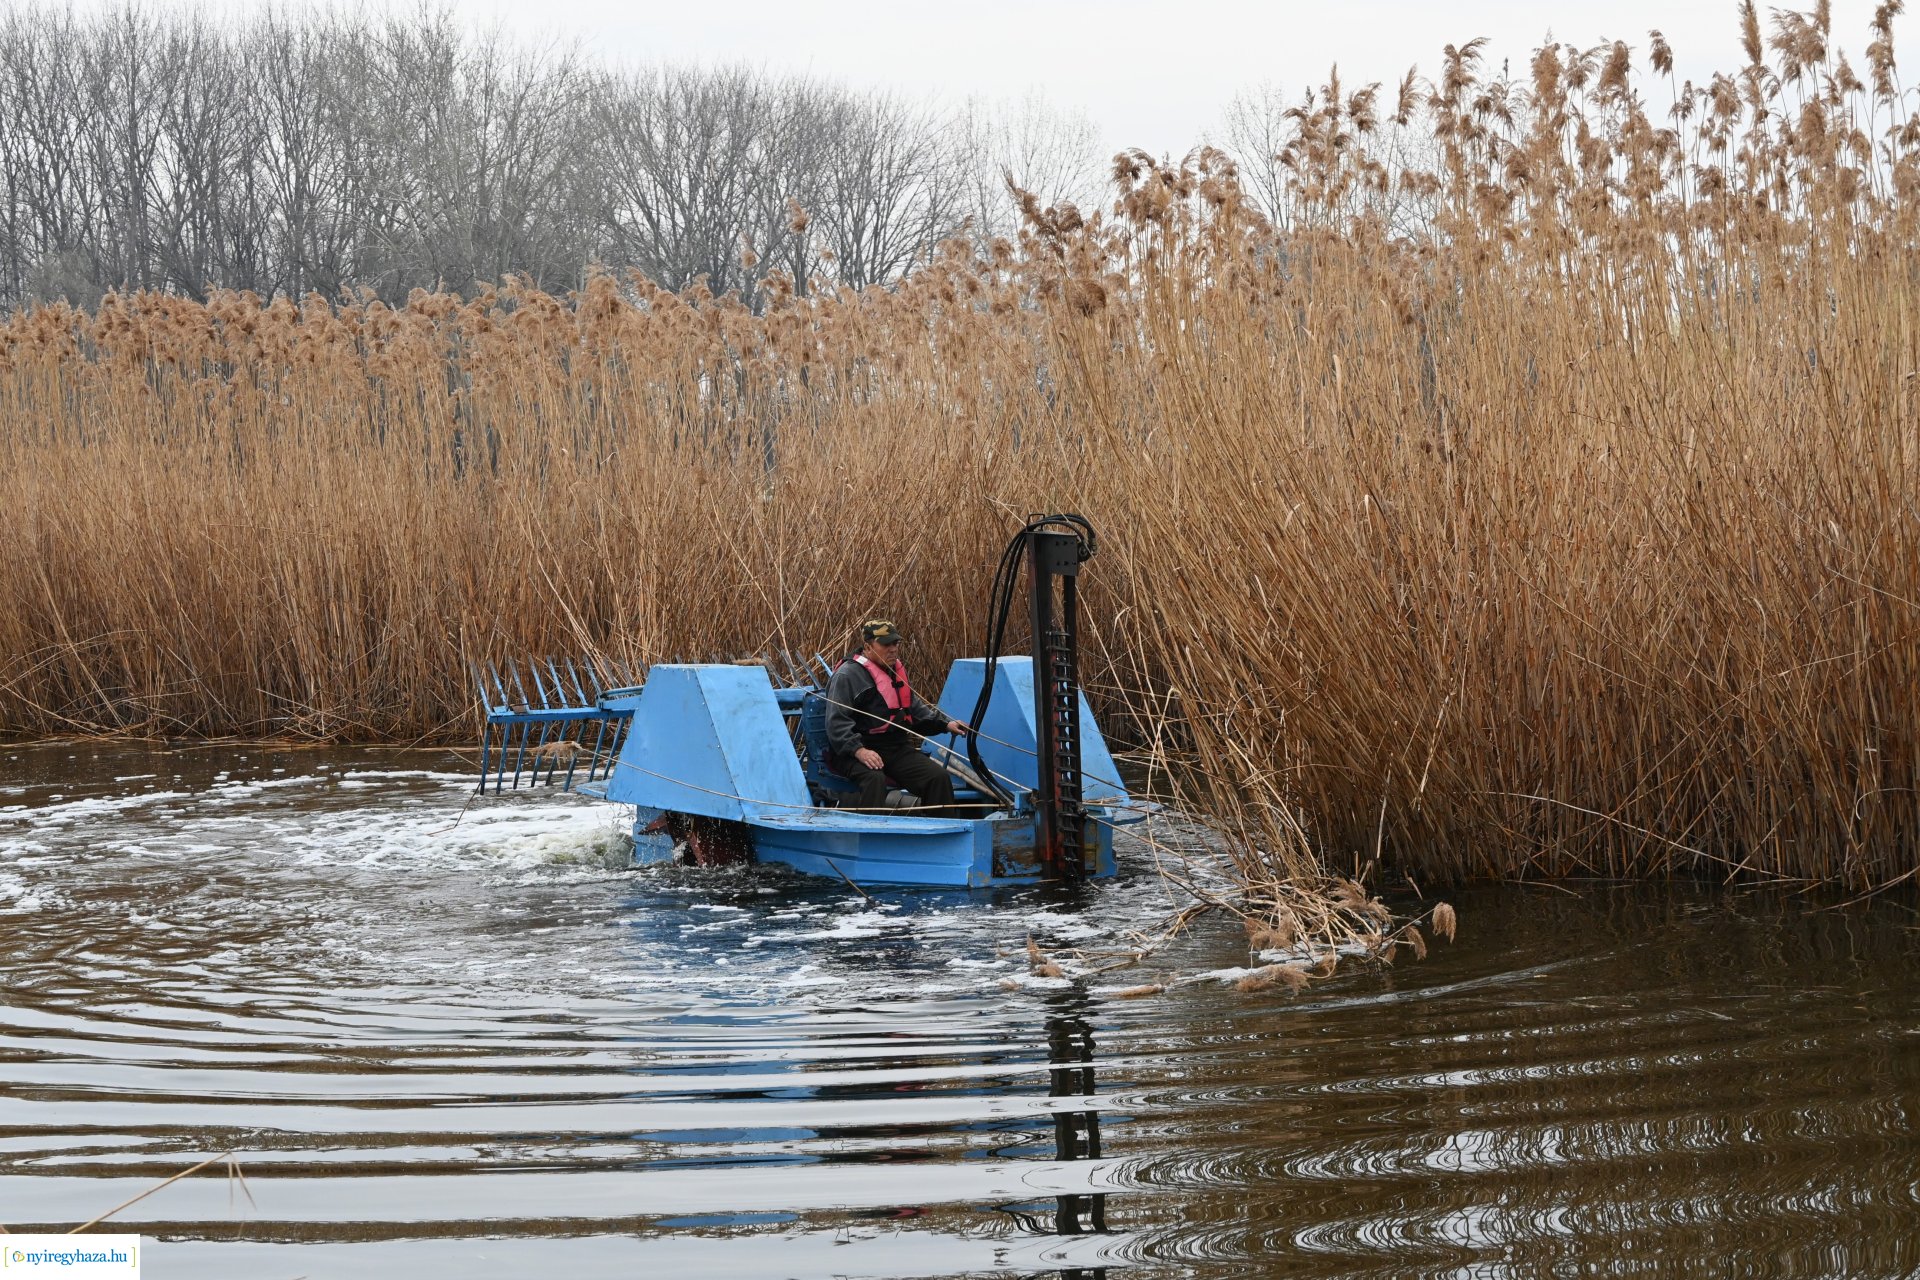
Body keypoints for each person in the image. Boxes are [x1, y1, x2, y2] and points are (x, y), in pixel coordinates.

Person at [825, 618, 970, 814]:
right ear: (868, 646)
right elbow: (836, 724)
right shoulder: (847, 675)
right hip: (854, 751)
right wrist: (859, 750)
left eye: (895, 643)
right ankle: (871, 836)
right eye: (886, 644)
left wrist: (946, 725)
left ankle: (942, 837)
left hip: (893, 748)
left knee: (937, 777)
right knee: (874, 778)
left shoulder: (894, 671)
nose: (893, 649)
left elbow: (916, 711)